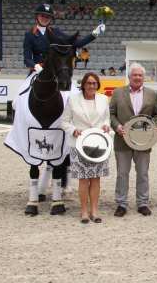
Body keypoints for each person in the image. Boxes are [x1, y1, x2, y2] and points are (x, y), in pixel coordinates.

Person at [109, 63, 157, 217]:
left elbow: (156, 115)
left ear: (143, 77)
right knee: (122, 174)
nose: (137, 77)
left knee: (143, 173)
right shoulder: (118, 93)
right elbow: (111, 114)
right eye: (135, 75)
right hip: (122, 139)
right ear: (129, 77)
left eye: (140, 75)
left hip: (144, 141)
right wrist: (117, 126)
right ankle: (121, 203)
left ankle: (143, 203)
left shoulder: (151, 94)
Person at [61, 72, 110, 224]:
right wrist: (73, 130)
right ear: (83, 84)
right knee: (83, 180)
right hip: (79, 144)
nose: (91, 86)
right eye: (89, 83)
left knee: (96, 179)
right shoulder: (73, 100)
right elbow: (64, 122)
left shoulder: (103, 99)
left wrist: (106, 126)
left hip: (99, 144)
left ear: (98, 85)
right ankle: (83, 211)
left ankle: (94, 210)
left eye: (94, 83)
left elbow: (106, 118)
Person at [23, 3, 105, 73]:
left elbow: (77, 43)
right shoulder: (29, 35)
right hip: (37, 71)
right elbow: (27, 59)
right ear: (37, 17)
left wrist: (95, 33)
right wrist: (35, 66)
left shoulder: (56, 32)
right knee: (24, 90)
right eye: (42, 16)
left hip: (54, 71)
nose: (45, 18)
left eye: (48, 16)